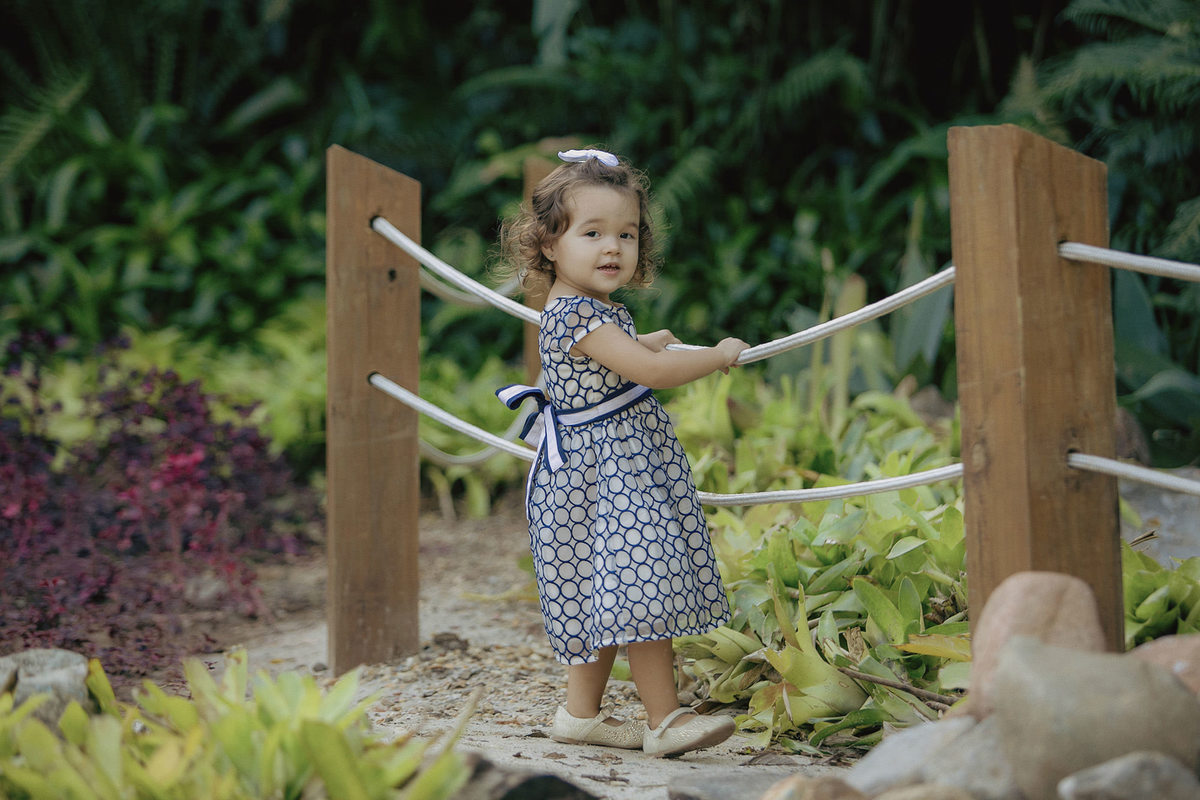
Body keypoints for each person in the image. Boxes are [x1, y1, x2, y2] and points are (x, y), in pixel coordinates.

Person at [495, 147, 749, 757]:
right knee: (641, 589)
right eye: (593, 233)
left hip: (608, 469)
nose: (613, 248)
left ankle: (579, 714)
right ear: (549, 245)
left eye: (626, 234)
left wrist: (648, 340)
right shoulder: (574, 312)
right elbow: (645, 372)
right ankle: (664, 721)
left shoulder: (592, 310)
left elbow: (621, 355)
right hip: (606, 476)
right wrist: (714, 356)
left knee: (611, 593)